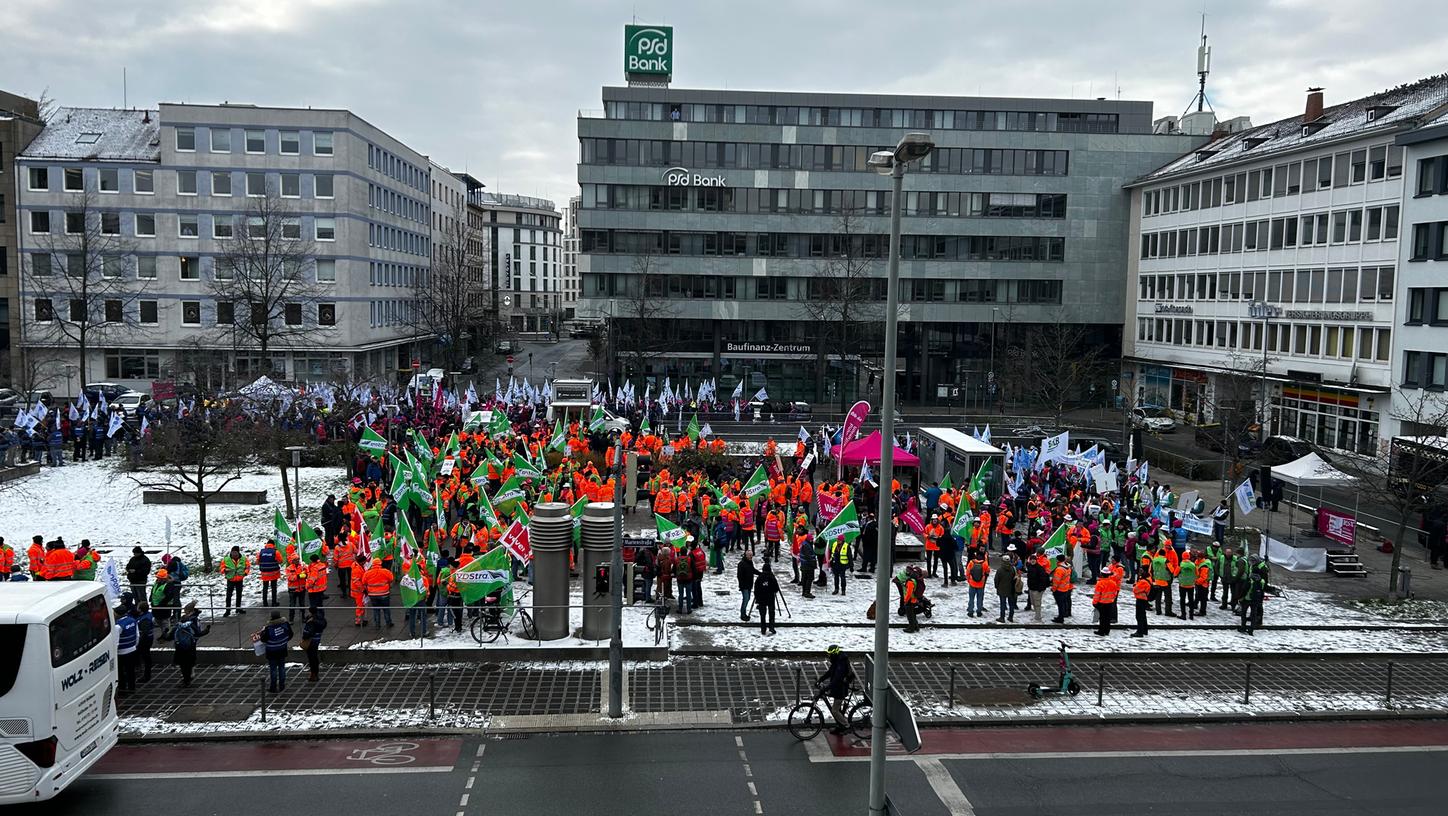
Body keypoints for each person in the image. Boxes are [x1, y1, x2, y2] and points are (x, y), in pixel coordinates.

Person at [817, 645, 857, 734]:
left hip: (841, 688)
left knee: (835, 710)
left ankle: (847, 726)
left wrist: (827, 687)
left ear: (834, 654)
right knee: (837, 710)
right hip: (838, 687)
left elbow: (837, 679)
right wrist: (821, 679)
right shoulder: (837, 660)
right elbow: (830, 672)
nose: (828, 656)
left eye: (829, 654)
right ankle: (840, 726)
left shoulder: (841, 663)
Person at [173, 602, 209, 687]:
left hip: (181, 647)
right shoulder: (195, 619)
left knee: (184, 663)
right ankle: (189, 675)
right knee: (189, 661)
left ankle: (187, 676)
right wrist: (206, 631)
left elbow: (172, 635)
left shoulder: (187, 622)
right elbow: (198, 633)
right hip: (191, 643)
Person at [256, 611, 293, 693]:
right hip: (282, 649)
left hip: (272, 651)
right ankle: (282, 685)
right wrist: (283, 641)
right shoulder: (285, 624)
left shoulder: (268, 628)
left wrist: (262, 632)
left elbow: (263, 639)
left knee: (273, 669)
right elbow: (290, 634)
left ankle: (273, 687)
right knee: (281, 667)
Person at [364, 557, 395, 627]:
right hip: (384, 594)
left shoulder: (367, 573)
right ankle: (388, 623)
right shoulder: (386, 571)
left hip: (372, 595)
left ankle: (377, 624)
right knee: (386, 609)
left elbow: (364, 582)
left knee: (376, 610)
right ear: (380, 564)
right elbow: (391, 579)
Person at [115, 605, 139, 693]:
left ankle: (122, 688)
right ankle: (132, 687)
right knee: (130, 670)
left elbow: (116, 642)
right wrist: (134, 646)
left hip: (121, 652)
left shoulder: (118, 626)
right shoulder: (132, 620)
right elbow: (137, 635)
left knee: (120, 672)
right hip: (132, 649)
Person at [222, 545, 250, 616]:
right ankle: (227, 610)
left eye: (235, 553)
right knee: (228, 596)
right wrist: (225, 570)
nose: (234, 554)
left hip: (239, 580)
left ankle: (238, 608)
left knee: (239, 595)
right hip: (230, 579)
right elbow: (221, 568)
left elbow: (248, 566)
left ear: (238, 553)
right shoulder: (226, 559)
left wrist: (245, 573)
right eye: (232, 552)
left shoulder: (244, 559)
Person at [754, 560, 780, 636]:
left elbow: (756, 589)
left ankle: (763, 629)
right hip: (770, 598)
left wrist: (757, 598)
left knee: (762, 614)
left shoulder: (759, 578)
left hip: (761, 599)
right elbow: (776, 588)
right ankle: (771, 627)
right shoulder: (772, 577)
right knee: (771, 613)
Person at [1092, 567, 1120, 636]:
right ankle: (1107, 631)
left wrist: (1095, 602)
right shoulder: (1113, 583)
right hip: (1110, 602)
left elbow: (1097, 594)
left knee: (1102, 618)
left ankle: (1101, 631)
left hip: (1102, 603)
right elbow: (1115, 593)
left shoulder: (1100, 583)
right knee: (1107, 618)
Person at [1026, 547, 1051, 623]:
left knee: (1037, 602)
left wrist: (1041, 587)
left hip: (1038, 586)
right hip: (1032, 586)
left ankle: (1038, 617)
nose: (1037, 554)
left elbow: (1044, 576)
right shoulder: (1032, 564)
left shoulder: (1043, 563)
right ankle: (1036, 614)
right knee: (1033, 601)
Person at [993, 553, 1018, 623]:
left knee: (1003, 604)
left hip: (1002, 589)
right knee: (1011, 604)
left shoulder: (1000, 570)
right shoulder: (1013, 569)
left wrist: (997, 587)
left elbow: (996, 580)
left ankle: (1002, 617)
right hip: (1011, 589)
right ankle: (1010, 617)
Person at [965, 549, 990, 618]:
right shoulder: (984, 564)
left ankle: (970, 611)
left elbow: (967, 572)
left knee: (971, 598)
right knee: (980, 598)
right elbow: (988, 571)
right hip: (981, 584)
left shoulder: (971, 562)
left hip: (972, 583)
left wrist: (969, 580)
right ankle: (979, 611)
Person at [302, 610, 325, 681]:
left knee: (312, 659)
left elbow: (310, 633)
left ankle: (313, 675)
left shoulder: (312, 622)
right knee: (314, 657)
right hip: (316, 640)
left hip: (311, 642)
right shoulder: (321, 620)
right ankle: (316, 673)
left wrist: (305, 636)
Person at [256, 540, 281, 607]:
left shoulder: (261, 552)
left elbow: (257, 562)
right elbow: (280, 561)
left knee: (265, 588)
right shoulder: (276, 551)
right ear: (273, 544)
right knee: (273, 588)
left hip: (264, 573)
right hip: (274, 573)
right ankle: (274, 602)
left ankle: (265, 603)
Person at [135, 601, 156, 682]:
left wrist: (139, 642)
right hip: (148, 639)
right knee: (143, 656)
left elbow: (145, 632)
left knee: (146, 657)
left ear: (140, 609)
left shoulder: (145, 619)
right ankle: (141, 671)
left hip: (145, 641)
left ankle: (146, 675)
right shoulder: (148, 615)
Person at [1050, 557, 1074, 624]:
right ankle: (1063, 615)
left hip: (1059, 589)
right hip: (1066, 588)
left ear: (1058, 560)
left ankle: (1060, 618)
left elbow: (1056, 581)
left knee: (1060, 605)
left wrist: (1053, 589)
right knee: (1063, 603)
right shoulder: (1068, 567)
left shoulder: (1059, 569)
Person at [284, 554, 307, 622]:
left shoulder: (302, 567)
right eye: (296, 559)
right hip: (293, 590)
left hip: (302, 589)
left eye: (298, 559)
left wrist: (306, 574)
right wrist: (299, 576)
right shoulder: (289, 568)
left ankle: (303, 617)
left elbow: (308, 573)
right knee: (292, 605)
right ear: (292, 561)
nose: (297, 560)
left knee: (302, 604)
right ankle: (291, 619)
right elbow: (290, 578)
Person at [737, 550, 758, 621]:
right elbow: (739, 576)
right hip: (744, 586)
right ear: (746, 555)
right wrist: (741, 585)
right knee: (745, 599)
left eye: (751, 555)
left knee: (747, 599)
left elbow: (753, 570)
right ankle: (742, 614)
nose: (751, 557)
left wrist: (761, 573)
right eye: (749, 555)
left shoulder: (750, 563)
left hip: (749, 584)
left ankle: (744, 613)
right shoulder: (741, 564)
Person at [1177, 553, 1197, 620]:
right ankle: (1191, 615)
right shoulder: (1193, 565)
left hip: (1182, 585)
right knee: (1191, 600)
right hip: (1191, 585)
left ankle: (1183, 615)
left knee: (1182, 600)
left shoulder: (1181, 564)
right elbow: (1197, 574)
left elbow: (1175, 573)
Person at [1131, 571, 1151, 637]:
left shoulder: (1143, 582)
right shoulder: (1148, 580)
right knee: (1143, 616)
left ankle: (1140, 632)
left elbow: (1135, 590)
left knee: (1139, 616)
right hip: (1144, 599)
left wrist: (1135, 586)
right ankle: (1144, 630)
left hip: (1141, 599)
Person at [797, 534, 817, 599]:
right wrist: (813, 564)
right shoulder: (807, 546)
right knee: (809, 579)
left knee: (805, 579)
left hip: (804, 565)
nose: (812, 540)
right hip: (808, 565)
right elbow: (809, 557)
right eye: (811, 539)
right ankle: (807, 592)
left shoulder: (805, 544)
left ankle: (804, 592)